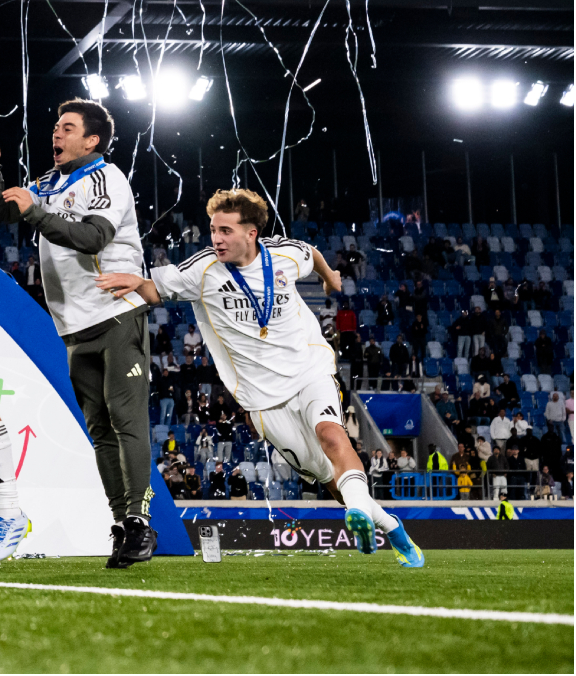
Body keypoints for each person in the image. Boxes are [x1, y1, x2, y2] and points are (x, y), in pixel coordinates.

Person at [97, 189, 424, 568]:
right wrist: (132, 281)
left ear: (251, 232)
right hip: (263, 401)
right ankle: (389, 525)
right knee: (328, 476)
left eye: (225, 230)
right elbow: (155, 290)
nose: (216, 238)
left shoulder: (283, 255)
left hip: (309, 369)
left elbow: (312, 254)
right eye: (213, 230)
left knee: (332, 436)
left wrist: (330, 277)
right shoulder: (202, 270)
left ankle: (361, 514)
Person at [0, 98, 181, 567]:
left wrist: (35, 213)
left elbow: (93, 237)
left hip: (115, 314)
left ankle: (140, 522)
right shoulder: (50, 183)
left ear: (92, 140)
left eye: (67, 127)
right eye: (56, 126)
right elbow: (2, 212)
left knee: (126, 421)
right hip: (73, 327)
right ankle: (121, 524)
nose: (56, 133)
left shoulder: (106, 178)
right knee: (100, 432)